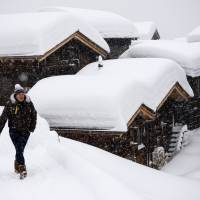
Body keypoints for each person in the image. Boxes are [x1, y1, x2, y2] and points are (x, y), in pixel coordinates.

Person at [0, 84, 37, 178]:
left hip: (26, 131)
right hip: (14, 131)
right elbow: (3, 119)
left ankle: (17, 163)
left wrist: (31, 127)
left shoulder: (29, 103)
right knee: (19, 148)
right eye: (19, 94)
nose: (21, 95)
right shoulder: (10, 104)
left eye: (22, 93)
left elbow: (34, 115)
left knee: (20, 149)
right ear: (15, 95)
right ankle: (22, 168)